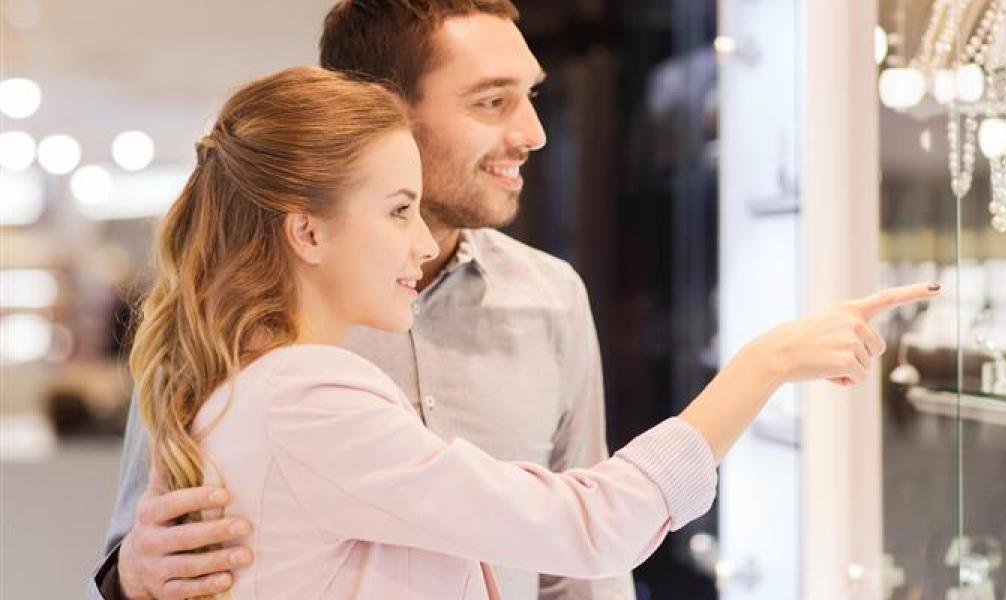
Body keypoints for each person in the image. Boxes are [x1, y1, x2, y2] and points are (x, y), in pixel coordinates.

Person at [111, 65, 938, 600]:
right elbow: (587, 524)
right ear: (309, 232)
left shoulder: (257, 385)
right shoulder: (307, 393)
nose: (423, 240)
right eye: (397, 211)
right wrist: (764, 365)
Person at [91, 2, 633, 598]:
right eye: (491, 102)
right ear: (385, 107)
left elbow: (583, 569)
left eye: (530, 95)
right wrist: (134, 577)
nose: (533, 133)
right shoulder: (230, 317)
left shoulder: (551, 298)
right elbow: (141, 548)